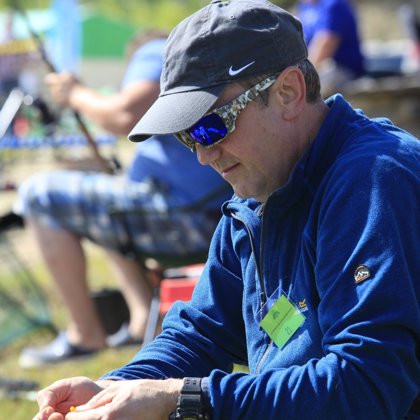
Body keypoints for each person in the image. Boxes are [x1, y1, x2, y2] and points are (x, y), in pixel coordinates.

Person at [33, 1, 420, 419]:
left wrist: (185, 398)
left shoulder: (373, 180)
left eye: (211, 125)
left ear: (288, 92)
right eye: (187, 135)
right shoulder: (256, 193)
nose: (203, 154)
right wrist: (112, 390)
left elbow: (368, 385)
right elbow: (199, 334)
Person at [16, 30, 231, 368]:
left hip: (184, 216)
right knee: (103, 203)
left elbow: (124, 116)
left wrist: (75, 93)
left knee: (38, 193)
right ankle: (143, 318)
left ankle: (85, 334)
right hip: (205, 214)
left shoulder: (156, 50)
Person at [297, 0, 365, 95]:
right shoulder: (305, 6)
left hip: (342, 68)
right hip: (318, 66)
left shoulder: (334, 5)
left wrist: (303, 75)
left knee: (303, 88)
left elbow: (326, 44)